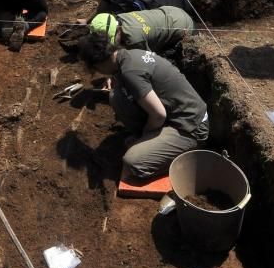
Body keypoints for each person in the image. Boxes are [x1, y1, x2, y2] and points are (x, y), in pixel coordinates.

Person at [78, 39, 208, 180]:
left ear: (100, 63)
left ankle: (181, 150)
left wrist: (144, 137)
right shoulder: (128, 56)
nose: (99, 73)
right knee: (117, 96)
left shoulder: (130, 71)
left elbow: (159, 115)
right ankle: (153, 140)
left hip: (191, 127)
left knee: (132, 162)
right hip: (176, 114)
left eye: (96, 69)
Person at [89, 6, 195, 54]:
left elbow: (147, 62)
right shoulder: (118, 18)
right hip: (172, 11)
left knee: (166, 57)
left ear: (118, 30)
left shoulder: (134, 39)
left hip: (183, 26)